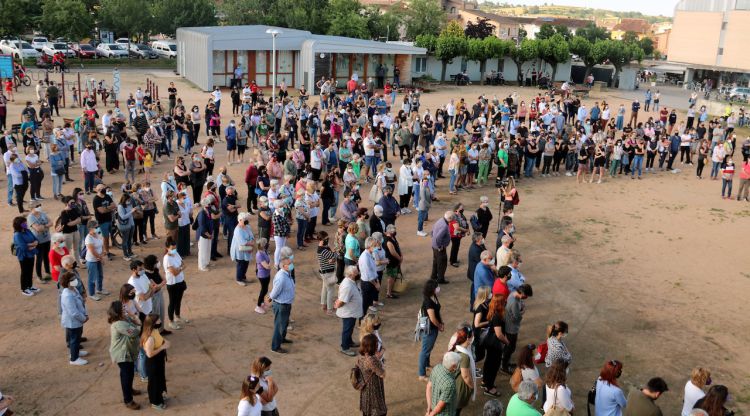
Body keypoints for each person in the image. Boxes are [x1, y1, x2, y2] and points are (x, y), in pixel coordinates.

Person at [108, 301, 142, 410]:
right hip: (122, 355)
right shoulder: (119, 324)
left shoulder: (123, 319)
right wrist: (136, 320)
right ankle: (128, 400)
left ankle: (130, 390)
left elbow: (136, 323)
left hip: (126, 352)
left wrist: (133, 317)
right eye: (123, 308)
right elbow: (135, 331)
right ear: (118, 312)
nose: (126, 309)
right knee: (126, 376)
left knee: (128, 374)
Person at [267, 247, 295, 353]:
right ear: (284, 265)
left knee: (284, 324)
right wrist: (270, 297)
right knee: (279, 326)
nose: (292, 265)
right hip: (281, 305)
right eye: (290, 263)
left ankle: (282, 339)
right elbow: (275, 292)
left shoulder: (287, 273)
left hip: (286, 304)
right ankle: (275, 347)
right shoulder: (281, 277)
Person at [482, 293, 510, 398]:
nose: (506, 302)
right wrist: (506, 341)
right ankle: (489, 388)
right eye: (504, 301)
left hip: (490, 342)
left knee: (488, 362)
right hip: (495, 344)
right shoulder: (497, 316)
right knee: (493, 365)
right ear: (500, 303)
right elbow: (499, 334)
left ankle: (485, 382)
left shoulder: (492, 312)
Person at [502, 283, 533, 373]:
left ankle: (506, 362)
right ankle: (504, 366)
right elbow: (517, 318)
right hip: (511, 328)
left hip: (509, 325)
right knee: (510, 347)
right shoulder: (514, 302)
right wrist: (523, 311)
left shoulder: (513, 293)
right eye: (526, 295)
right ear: (522, 294)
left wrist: (521, 305)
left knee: (510, 347)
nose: (525, 297)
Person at [141, 314, 169, 410]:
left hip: (159, 361)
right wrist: (162, 347)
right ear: (152, 324)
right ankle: (155, 402)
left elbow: (160, 339)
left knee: (160, 378)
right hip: (153, 363)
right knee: (154, 382)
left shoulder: (155, 331)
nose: (160, 322)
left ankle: (161, 395)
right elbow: (149, 354)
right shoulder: (149, 339)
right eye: (158, 321)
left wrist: (165, 342)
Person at [60, 271, 89, 365]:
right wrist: (83, 318)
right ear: (68, 282)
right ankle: (74, 359)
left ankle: (76, 352)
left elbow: (80, 303)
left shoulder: (73, 289)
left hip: (77, 320)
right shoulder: (67, 295)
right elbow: (73, 312)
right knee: (74, 339)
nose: (76, 281)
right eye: (73, 280)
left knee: (77, 337)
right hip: (73, 321)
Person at [418, 279, 444, 381]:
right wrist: (439, 326)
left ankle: (427, 365)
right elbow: (432, 318)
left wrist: (441, 322)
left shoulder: (433, 297)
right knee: (425, 351)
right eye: (436, 287)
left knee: (428, 348)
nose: (438, 288)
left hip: (434, 328)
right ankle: (422, 374)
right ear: (432, 289)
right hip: (430, 329)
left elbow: (437, 311)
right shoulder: (428, 301)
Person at [336, 265, 363, 356]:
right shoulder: (347, 285)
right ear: (351, 274)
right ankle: (345, 348)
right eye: (356, 272)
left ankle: (349, 342)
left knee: (350, 328)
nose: (358, 273)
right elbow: (342, 301)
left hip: (352, 311)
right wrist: (337, 305)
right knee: (347, 329)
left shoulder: (351, 281)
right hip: (348, 312)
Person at [357, 333, 387, 416]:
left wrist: (377, 357)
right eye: (376, 344)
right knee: (377, 409)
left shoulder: (361, 356)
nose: (378, 346)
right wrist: (380, 361)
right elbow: (382, 374)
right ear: (372, 346)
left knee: (367, 408)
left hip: (365, 385)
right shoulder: (371, 360)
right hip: (373, 387)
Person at [163, 237, 188, 330]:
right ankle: (171, 321)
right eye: (172, 248)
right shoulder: (167, 259)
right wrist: (180, 268)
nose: (174, 250)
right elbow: (174, 273)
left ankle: (178, 316)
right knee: (172, 302)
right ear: (167, 248)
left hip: (180, 281)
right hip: (172, 283)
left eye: (175, 248)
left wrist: (179, 268)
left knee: (179, 300)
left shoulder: (176, 254)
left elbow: (184, 264)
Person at [450, 326, 476, 415]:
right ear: (468, 339)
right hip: (459, 388)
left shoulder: (456, 347)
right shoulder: (464, 356)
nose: (473, 338)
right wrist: (472, 387)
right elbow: (465, 376)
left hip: (453, 384)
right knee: (456, 411)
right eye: (472, 336)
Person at [425, 352, 461, 416]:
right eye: (458, 363)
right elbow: (440, 406)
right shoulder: (450, 383)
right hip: (445, 413)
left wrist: (429, 407)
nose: (459, 365)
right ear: (454, 366)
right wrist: (431, 415)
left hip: (433, 406)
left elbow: (428, 387)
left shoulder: (437, 367)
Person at [13, 216, 40, 296]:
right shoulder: (17, 235)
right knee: (25, 272)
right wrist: (32, 244)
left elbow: (36, 239)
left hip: (31, 254)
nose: (26, 224)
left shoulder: (27, 230)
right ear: (19, 224)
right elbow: (23, 247)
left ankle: (30, 286)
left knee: (30, 270)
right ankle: (24, 289)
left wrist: (31, 245)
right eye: (24, 223)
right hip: (24, 256)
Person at [27, 201, 51, 283]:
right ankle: (39, 276)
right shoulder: (30, 217)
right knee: (39, 258)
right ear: (32, 207)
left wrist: (43, 226)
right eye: (38, 205)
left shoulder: (42, 213)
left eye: (40, 205)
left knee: (46, 257)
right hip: (38, 241)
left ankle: (48, 273)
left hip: (47, 238)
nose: (40, 206)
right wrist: (46, 226)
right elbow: (37, 229)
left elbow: (51, 222)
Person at [84, 219, 107, 301]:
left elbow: (102, 243)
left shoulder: (98, 233)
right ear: (90, 228)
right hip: (91, 260)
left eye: (98, 226)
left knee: (100, 275)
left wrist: (104, 251)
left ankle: (99, 289)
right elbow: (92, 251)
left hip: (98, 258)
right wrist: (101, 258)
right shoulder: (88, 239)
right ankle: (91, 293)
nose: (98, 228)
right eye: (96, 227)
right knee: (92, 278)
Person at [230, 212, 255, 286]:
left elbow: (251, 236)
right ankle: (239, 279)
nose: (246, 221)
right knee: (241, 264)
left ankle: (243, 277)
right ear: (240, 220)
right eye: (245, 220)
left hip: (247, 248)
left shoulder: (247, 226)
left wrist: (251, 242)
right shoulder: (237, 230)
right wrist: (251, 244)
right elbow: (242, 242)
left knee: (246, 263)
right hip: (239, 250)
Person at [317, 231, 337, 315]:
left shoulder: (323, 248)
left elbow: (331, 257)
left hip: (324, 272)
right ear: (322, 239)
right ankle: (329, 309)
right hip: (328, 273)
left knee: (325, 288)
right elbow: (334, 255)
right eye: (326, 238)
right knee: (330, 290)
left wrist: (332, 257)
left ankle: (323, 304)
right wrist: (334, 254)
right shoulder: (323, 250)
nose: (328, 240)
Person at [430, 211, 453, 283]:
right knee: (442, 263)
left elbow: (432, 230)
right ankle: (440, 279)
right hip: (439, 248)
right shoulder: (444, 226)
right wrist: (440, 246)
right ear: (449, 218)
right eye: (452, 218)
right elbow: (438, 238)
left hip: (434, 246)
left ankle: (433, 276)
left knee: (436, 261)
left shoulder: (440, 220)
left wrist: (433, 238)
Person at [196, 196, 214, 271]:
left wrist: (211, 233)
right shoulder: (202, 214)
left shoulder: (208, 212)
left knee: (207, 249)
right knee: (202, 250)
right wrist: (209, 235)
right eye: (209, 204)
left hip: (208, 234)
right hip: (203, 235)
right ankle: (202, 266)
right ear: (205, 205)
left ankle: (206, 262)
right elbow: (202, 227)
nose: (210, 205)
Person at [254, 238, 272, 315]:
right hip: (262, 275)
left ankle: (261, 303)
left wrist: (270, 263)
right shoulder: (259, 254)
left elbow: (269, 261)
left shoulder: (264, 251)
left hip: (266, 274)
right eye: (266, 243)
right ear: (263, 245)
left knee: (265, 289)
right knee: (263, 290)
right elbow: (266, 266)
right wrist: (271, 264)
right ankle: (258, 306)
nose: (268, 244)